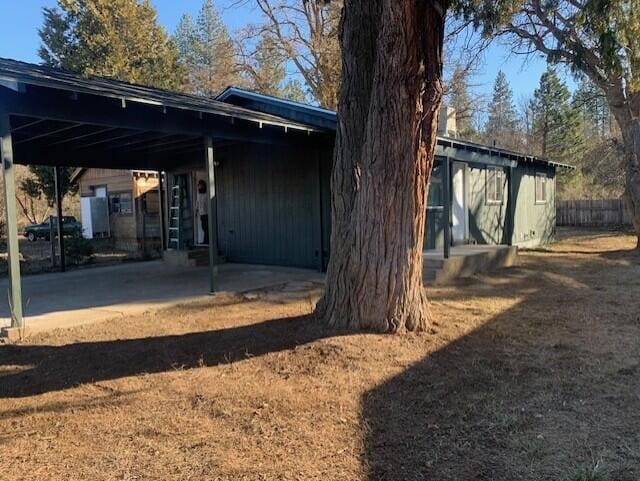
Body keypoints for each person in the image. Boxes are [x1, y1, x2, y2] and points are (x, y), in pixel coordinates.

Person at [196, 179, 208, 245]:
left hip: (206, 213)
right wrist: (196, 210)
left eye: (200, 185)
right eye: (199, 185)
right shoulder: (198, 194)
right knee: (204, 227)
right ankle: (205, 241)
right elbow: (197, 203)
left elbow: (207, 204)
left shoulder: (206, 194)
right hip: (201, 213)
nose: (199, 187)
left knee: (206, 228)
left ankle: (206, 241)